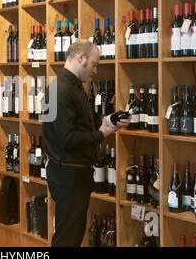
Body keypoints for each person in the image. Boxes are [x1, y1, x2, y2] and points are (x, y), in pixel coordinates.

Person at [42, 40, 130, 247]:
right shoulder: (60, 90)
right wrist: (102, 133)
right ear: (80, 58)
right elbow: (68, 139)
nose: (95, 70)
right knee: (67, 239)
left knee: (72, 235)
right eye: (94, 64)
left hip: (73, 175)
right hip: (68, 177)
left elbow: (82, 124)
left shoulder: (69, 86)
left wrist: (109, 120)